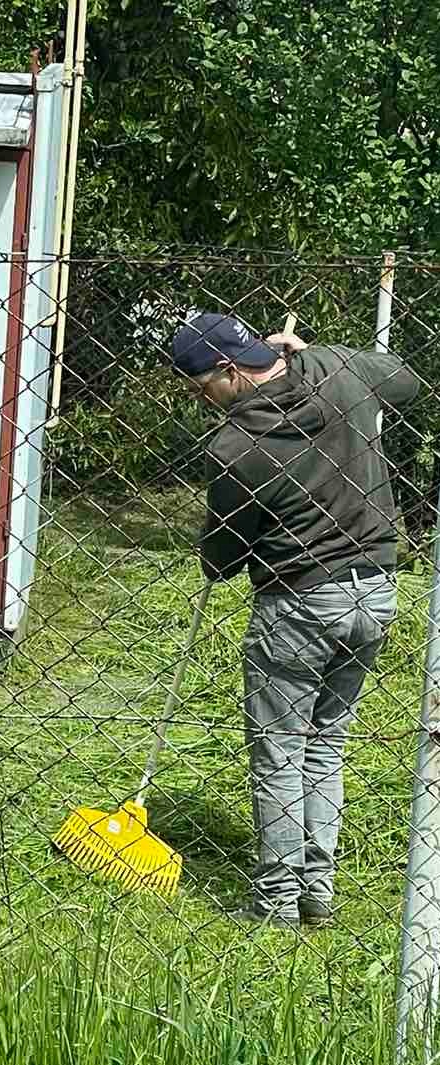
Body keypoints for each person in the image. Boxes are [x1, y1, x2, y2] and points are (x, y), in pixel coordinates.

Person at [170, 310, 420, 929]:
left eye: (203, 388)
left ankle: (277, 904)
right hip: (376, 590)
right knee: (326, 744)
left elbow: (223, 555)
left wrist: (214, 551)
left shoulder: (236, 447)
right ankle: (319, 893)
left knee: (280, 751)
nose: (204, 402)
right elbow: (409, 381)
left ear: (231, 371)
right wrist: (310, 352)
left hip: (299, 603)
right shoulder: (338, 371)